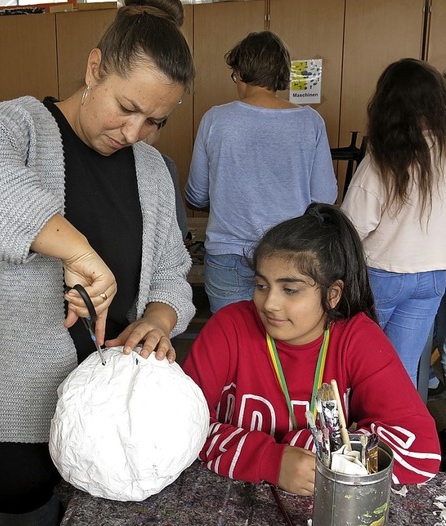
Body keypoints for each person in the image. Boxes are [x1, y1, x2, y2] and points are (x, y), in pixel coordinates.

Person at [0, 0, 196, 523]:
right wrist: (77, 251)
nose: (133, 132)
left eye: (154, 120)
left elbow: (170, 270)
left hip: (113, 414)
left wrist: (158, 320)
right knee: (27, 512)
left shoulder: (152, 170)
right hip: (12, 403)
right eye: (126, 106)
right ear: (95, 68)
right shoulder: (22, 129)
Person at [183, 203, 441, 496]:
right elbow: (177, 429)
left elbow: (420, 452)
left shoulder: (356, 338)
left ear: (332, 295)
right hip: (223, 497)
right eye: (261, 285)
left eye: (290, 290)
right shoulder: (228, 328)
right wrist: (270, 460)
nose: (269, 304)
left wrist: (308, 450)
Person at [185, 31, 337, 314]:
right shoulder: (310, 122)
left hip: (227, 255)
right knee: (282, 345)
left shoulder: (215, 119)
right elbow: (324, 196)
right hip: (290, 254)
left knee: (234, 344)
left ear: (240, 72)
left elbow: (196, 193)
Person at [341, 58, 446, 392]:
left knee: (358, 357)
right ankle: (394, 434)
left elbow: (352, 226)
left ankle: (356, 429)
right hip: (435, 275)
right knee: (401, 366)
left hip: (382, 275)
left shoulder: (385, 156)